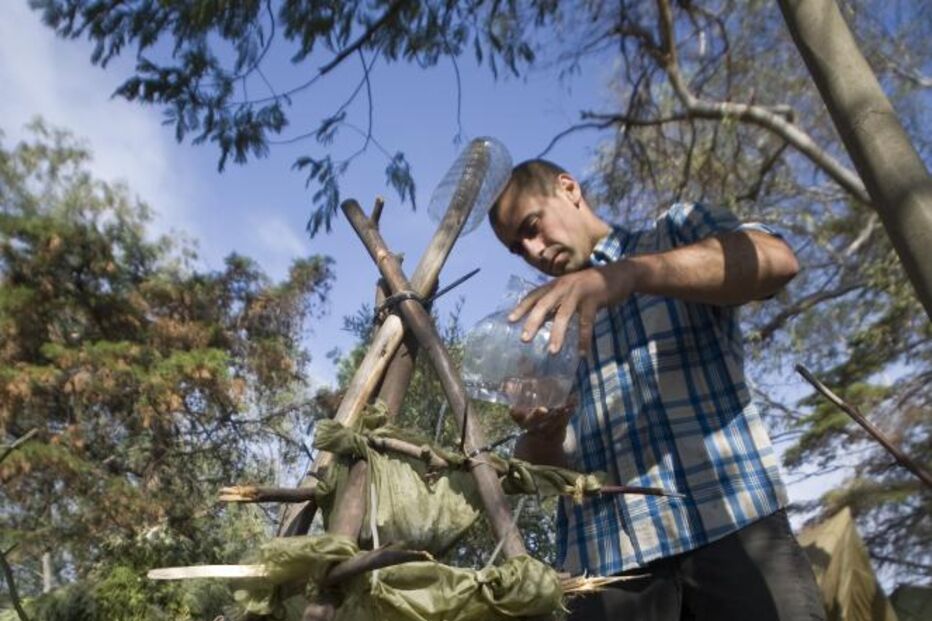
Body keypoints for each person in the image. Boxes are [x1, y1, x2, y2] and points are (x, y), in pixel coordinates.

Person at [489, 159, 825, 620]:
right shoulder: (548, 331)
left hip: (731, 531)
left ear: (568, 188)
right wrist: (543, 432)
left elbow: (776, 260)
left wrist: (628, 275)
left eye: (532, 226)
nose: (532, 249)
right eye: (517, 247)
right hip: (604, 571)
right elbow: (543, 472)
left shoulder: (672, 235)